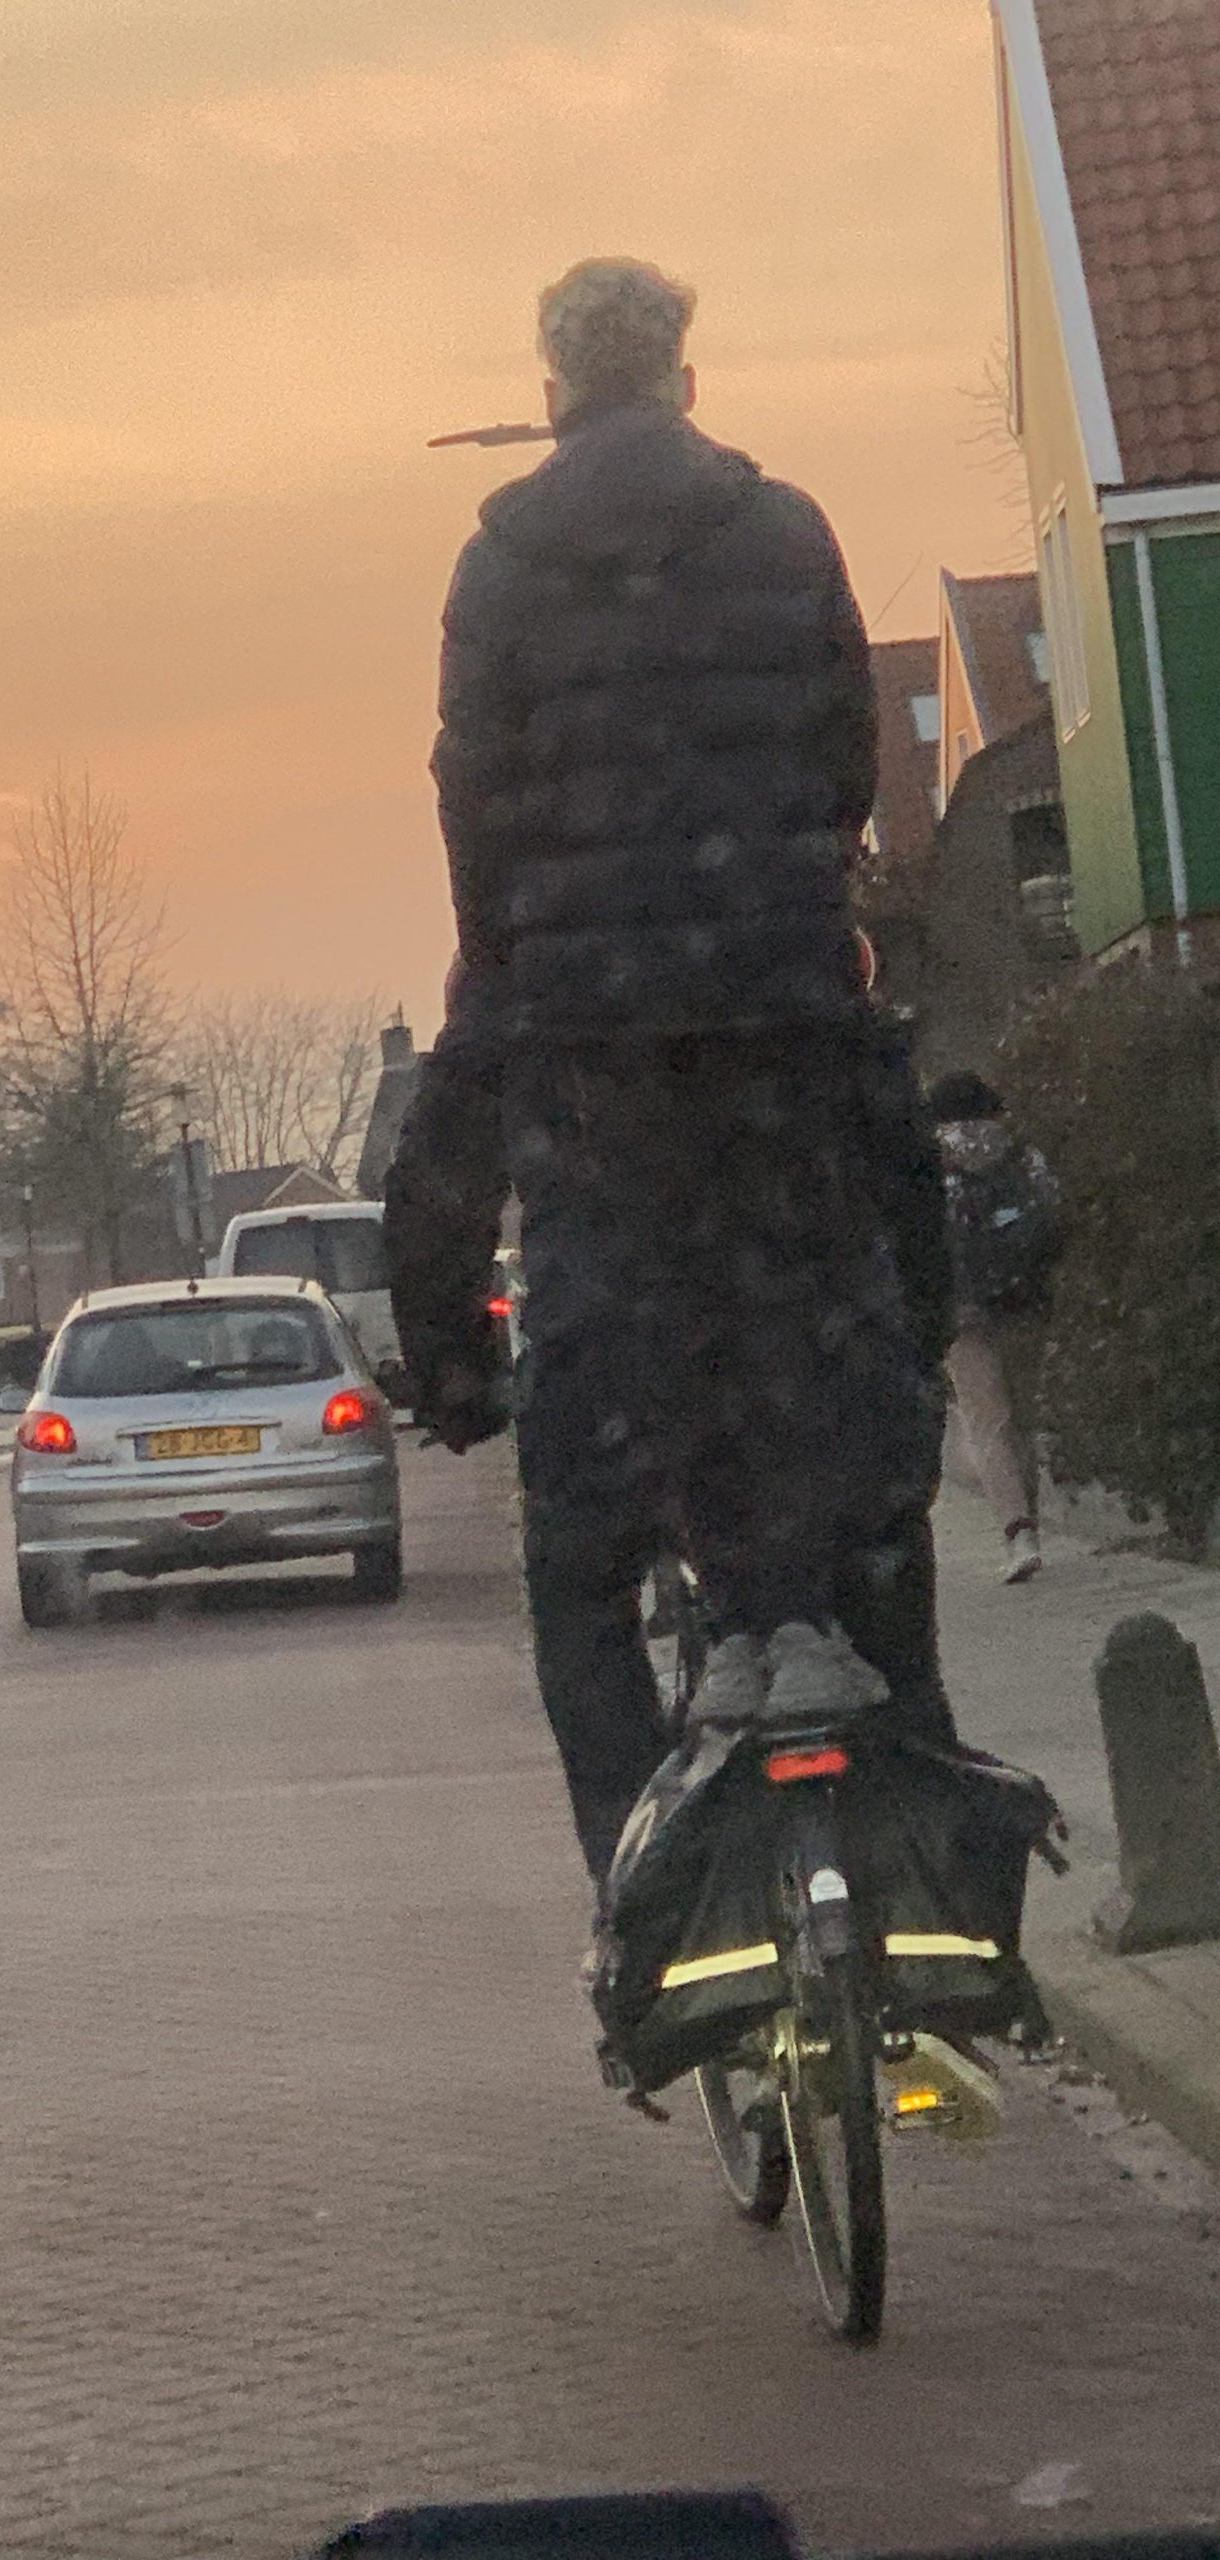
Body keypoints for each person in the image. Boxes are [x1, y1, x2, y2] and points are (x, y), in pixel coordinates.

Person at [427, 256, 938, 1884]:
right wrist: (794, 891)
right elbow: (847, 750)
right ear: (687, 379)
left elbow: (472, 797)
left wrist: (514, 958)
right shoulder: (785, 532)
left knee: (582, 1567)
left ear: (554, 389)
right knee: (868, 1475)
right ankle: (934, 1889)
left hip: (598, 1085)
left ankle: (650, 1906)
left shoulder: (498, 567)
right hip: (785, 1043)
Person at [385, 965, 954, 1884]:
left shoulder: (520, 978)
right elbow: (911, 1176)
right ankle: (942, 1892)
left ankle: (641, 1890)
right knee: (883, 1580)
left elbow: (433, 1201)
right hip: (823, 1350)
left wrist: (455, 1379)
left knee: (582, 1594)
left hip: (616, 1375)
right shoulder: (798, 951)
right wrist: (914, 1347)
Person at [928, 1070, 1060, 1586]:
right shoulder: (1021, 1155)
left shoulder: (928, 1166)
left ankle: (1018, 1532)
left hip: (961, 1311)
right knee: (1022, 1417)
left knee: (988, 1423)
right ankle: (1032, 1519)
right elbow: (1052, 1217)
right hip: (1024, 1301)